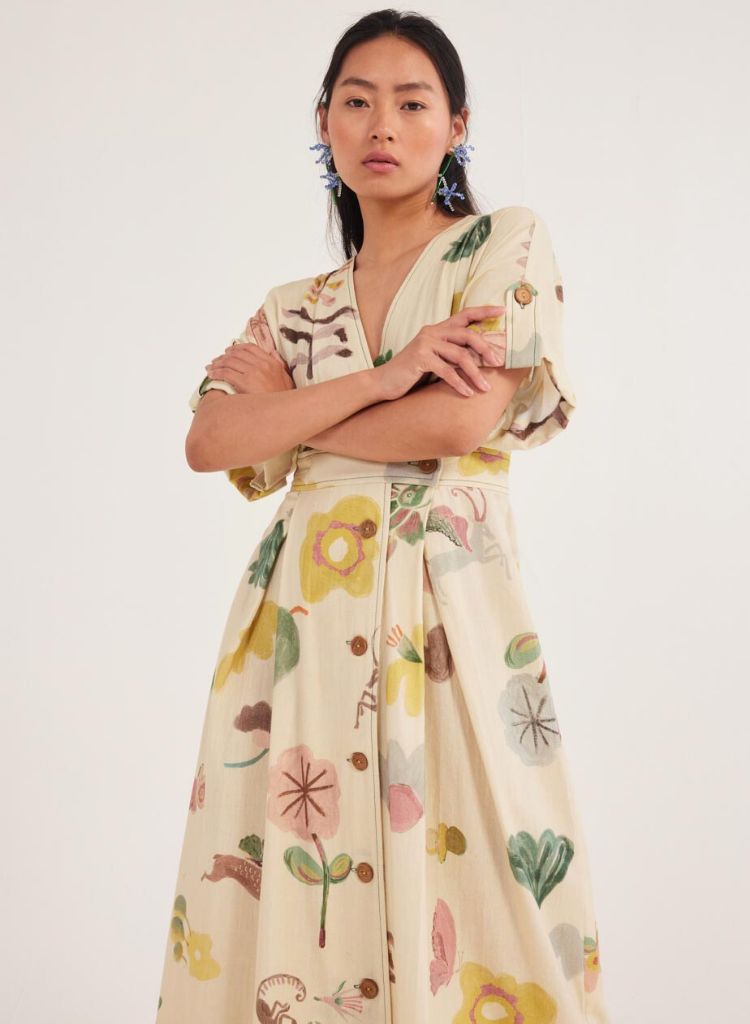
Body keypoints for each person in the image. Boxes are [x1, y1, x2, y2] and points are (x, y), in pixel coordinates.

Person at [155, 9, 613, 1024]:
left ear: (457, 126)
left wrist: (296, 414)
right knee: (297, 876)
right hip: (298, 630)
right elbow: (210, 440)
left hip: (446, 621)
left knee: (486, 876)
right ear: (323, 121)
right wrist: (386, 378)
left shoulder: (500, 245)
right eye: (357, 101)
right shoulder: (294, 303)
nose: (383, 125)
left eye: (413, 103)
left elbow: (458, 419)